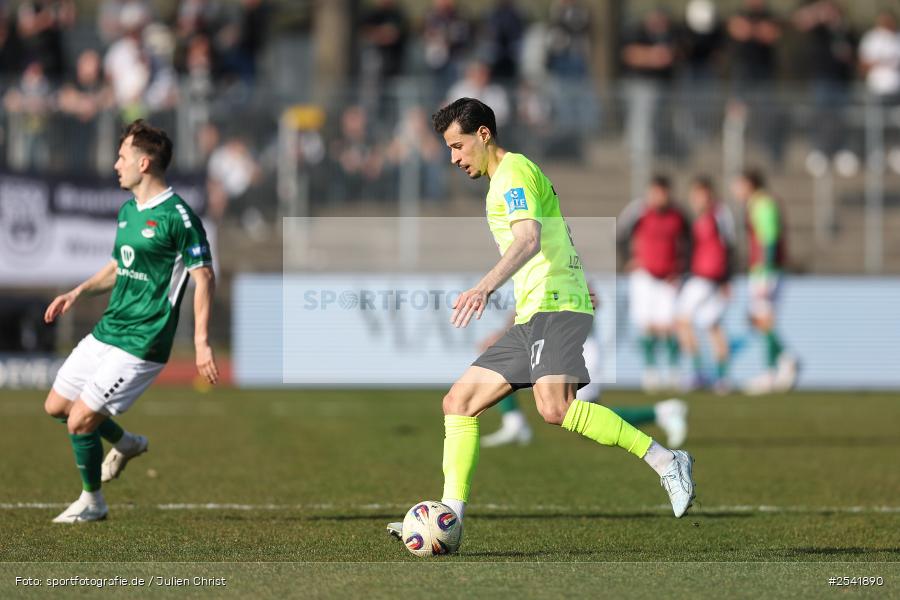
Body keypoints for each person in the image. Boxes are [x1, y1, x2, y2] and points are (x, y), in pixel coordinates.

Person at [386, 98, 696, 548]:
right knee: (459, 402)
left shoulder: (512, 174)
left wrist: (484, 287)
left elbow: (529, 239)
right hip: (539, 307)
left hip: (556, 305)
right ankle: (448, 516)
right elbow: (546, 243)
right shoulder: (503, 181)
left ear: (483, 135)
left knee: (555, 408)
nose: (453, 158)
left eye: (457, 146)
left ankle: (667, 461)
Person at [42, 120, 218, 523]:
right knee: (56, 406)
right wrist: (76, 292)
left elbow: (204, 276)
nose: (115, 164)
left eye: (121, 156)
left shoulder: (180, 217)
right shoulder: (127, 211)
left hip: (144, 340)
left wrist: (202, 342)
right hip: (110, 329)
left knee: (81, 420)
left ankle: (93, 502)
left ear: (144, 162)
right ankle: (127, 442)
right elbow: (117, 267)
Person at [481, 295, 688, 448]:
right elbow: (524, 307)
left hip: (577, 346)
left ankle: (662, 413)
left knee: (581, 416)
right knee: (501, 360)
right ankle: (513, 421)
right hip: (548, 342)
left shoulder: (559, 262)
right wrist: (504, 334)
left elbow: (593, 298)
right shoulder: (534, 271)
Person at [617, 175, 690, 392]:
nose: (659, 197)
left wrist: (681, 268)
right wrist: (628, 260)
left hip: (669, 277)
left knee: (669, 325)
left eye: (663, 192)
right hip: (645, 277)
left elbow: (690, 242)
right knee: (647, 325)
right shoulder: (638, 211)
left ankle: (674, 371)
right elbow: (621, 235)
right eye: (655, 192)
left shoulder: (679, 215)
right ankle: (651, 372)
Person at [731, 168, 798, 395]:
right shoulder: (759, 203)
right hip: (764, 269)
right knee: (760, 320)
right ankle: (781, 364)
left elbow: (769, 237)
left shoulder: (762, 204)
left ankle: (775, 369)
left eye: (738, 184)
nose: (735, 190)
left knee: (763, 318)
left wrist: (765, 271)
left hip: (766, 270)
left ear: (749, 184)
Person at [676, 176, 735, 393]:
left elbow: (729, 247)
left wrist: (727, 279)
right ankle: (722, 379)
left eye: (698, 195)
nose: (695, 200)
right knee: (713, 326)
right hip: (705, 278)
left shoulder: (718, 215)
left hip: (707, 279)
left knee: (682, 320)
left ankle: (698, 372)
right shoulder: (703, 218)